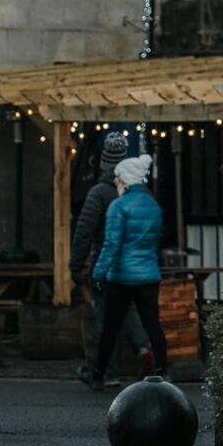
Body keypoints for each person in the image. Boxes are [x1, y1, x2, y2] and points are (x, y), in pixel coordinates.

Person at [87, 153, 168, 389]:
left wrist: (98, 274)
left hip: (122, 276)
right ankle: (163, 370)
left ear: (125, 180)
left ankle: (99, 374)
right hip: (149, 275)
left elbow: (111, 245)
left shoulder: (118, 206)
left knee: (111, 327)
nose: (116, 183)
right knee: (152, 324)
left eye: (118, 179)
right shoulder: (153, 205)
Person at [70, 131, 145, 384]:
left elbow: (83, 232)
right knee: (129, 309)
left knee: (105, 315)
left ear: (103, 161)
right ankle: (145, 351)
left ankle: (105, 371)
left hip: (107, 264)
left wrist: (75, 266)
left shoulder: (99, 194)